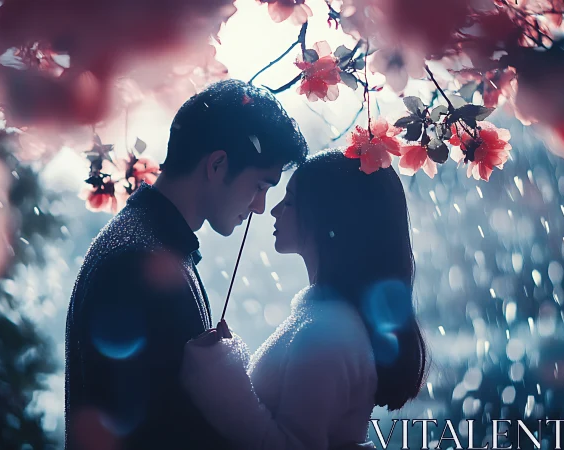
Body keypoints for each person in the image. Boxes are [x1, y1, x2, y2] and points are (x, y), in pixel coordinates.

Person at [64, 79, 308, 450]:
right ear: (217, 164)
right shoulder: (140, 261)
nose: (260, 207)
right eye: (261, 185)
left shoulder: (150, 245)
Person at [180, 149, 430, 449]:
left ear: (325, 217)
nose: (273, 211)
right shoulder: (325, 321)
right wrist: (230, 361)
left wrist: (216, 373)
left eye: (289, 202)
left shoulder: (327, 332)